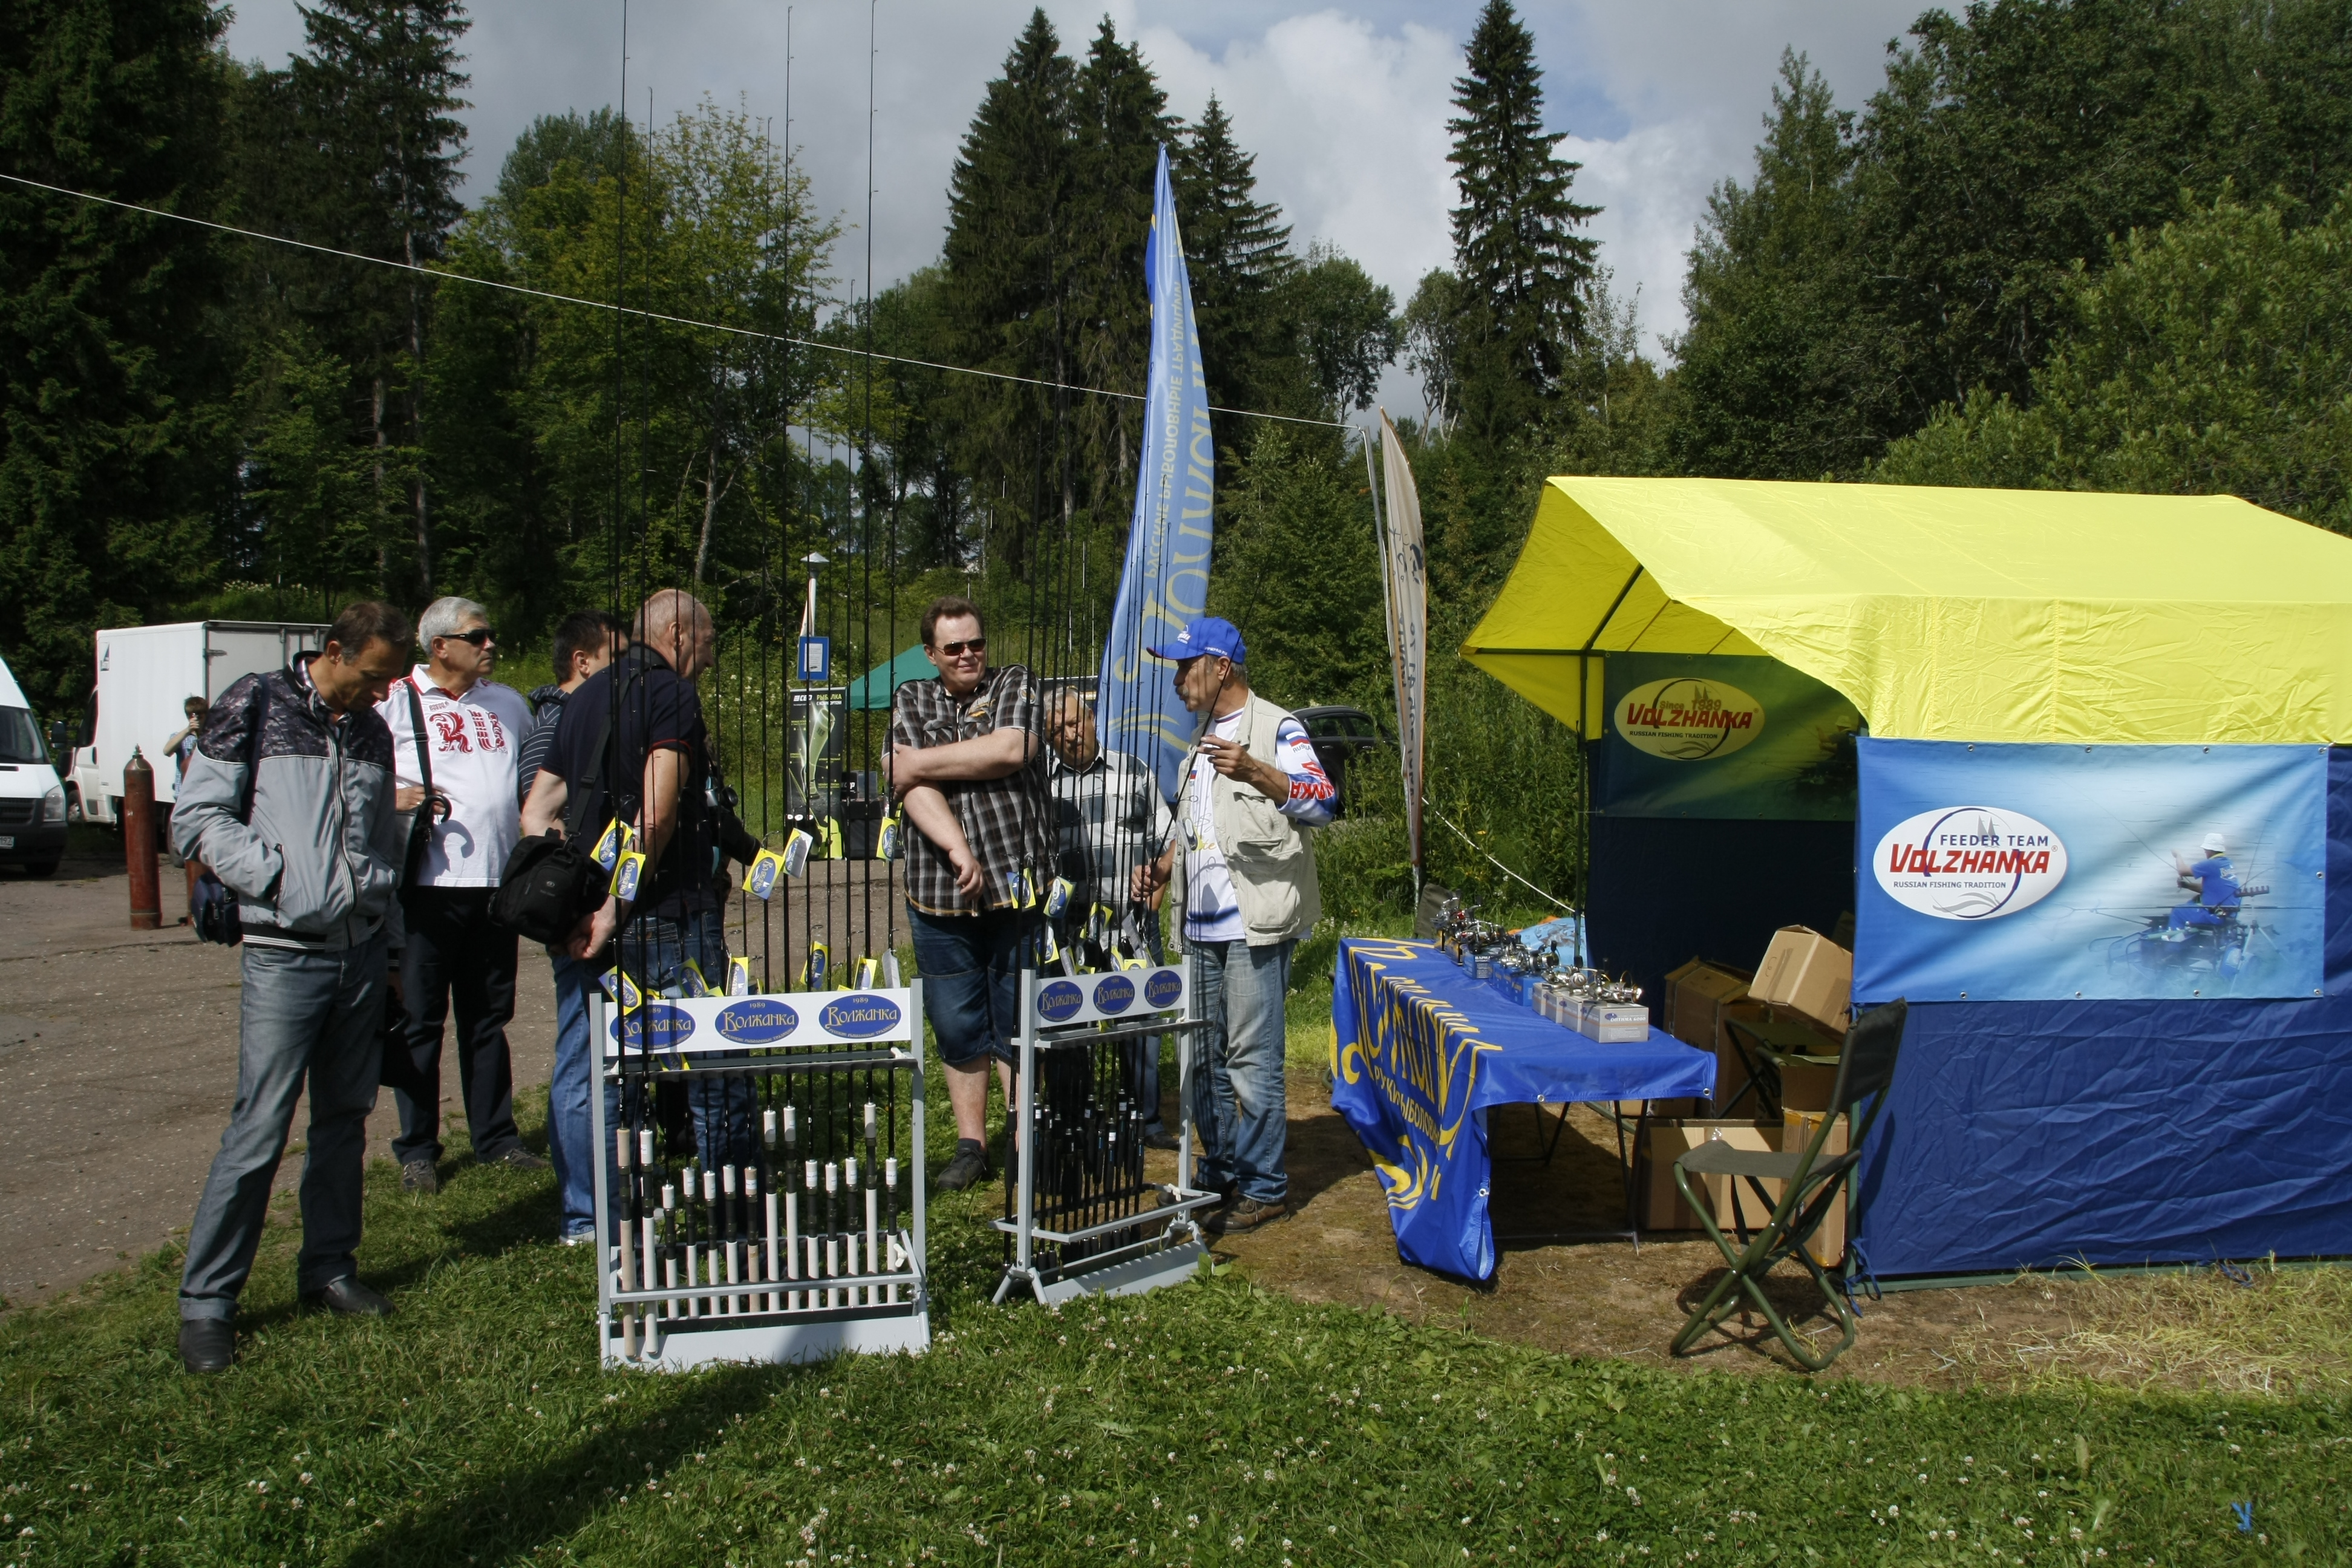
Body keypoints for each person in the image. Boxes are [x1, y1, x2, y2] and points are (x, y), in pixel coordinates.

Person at [169, 601, 414, 1374]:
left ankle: (330, 1269)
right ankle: (208, 1305)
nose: (378, 696)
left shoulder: (372, 729)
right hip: (285, 954)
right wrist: (274, 878)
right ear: (334, 651)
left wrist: (390, 937)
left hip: (361, 953)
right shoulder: (257, 702)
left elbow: (382, 841)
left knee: (345, 1117)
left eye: (388, 684)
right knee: (260, 1128)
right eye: (371, 678)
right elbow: (196, 817)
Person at [535, 589, 753, 1175]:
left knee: (600, 1066)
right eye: (706, 646)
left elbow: (536, 810)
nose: (708, 661)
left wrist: (564, 899)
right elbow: (654, 817)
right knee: (713, 1058)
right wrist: (612, 907)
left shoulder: (581, 701)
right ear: (679, 635)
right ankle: (730, 1200)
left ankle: (596, 1213)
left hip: (588, 921)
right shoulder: (672, 695)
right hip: (664, 916)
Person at [1132, 616, 1333, 1235]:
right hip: (1197, 926)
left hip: (1256, 926)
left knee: (1250, 1059)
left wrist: (1258, 773)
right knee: (1202, 1058)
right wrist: (1165, 867)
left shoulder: (1279, 727)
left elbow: (1322, 801)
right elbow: (1202, 827)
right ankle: (1222, 1171)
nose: (1175, 681)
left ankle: (1266, 1185)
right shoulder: (1196, 741)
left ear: (1222, 668)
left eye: (1185, 667)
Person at [378, 596, 544, 1193]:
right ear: (440, 645)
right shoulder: (394, 702)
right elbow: (359, 776)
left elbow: (532, 777)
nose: (491, 645)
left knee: (488, 1018)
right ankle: (417, 1148)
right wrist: (390, 798)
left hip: (496, 885)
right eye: (479, 636)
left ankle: (495, 1138)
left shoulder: (507, 703)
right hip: (427, 885)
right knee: (421, 1019)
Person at [887, 595, 1049, 1192]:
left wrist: (921, 762)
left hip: (1019, 888)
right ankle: (971, 1145)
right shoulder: (910, 696)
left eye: (975, 643)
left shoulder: (1015, 681)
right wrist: (957, 848)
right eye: (953, 648)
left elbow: (1012, 749)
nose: (967, 656)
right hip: (938, 893)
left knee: (1018, 1016)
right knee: (957, 1024)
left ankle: (1025, 1137)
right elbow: (908, 790)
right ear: (930, 653)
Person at [515, 609, 627, 1244]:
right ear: (583, 662)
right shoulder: (561, 721)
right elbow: (536, 816)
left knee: (601, 1053)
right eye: (617, 656)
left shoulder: (590, 716)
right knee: (584, 1058)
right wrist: (571, 903)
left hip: (602, 913)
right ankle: (586, 1213)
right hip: (583, 921)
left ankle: (605, 1197)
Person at [1047, 690, 1177, 1147]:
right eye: (1058, 728)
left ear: (1093, 719)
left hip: (1131, 924)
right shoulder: (1040, 782)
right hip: (1068, 932)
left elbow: (1168, 840)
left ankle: (1147, 1119)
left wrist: (1154, 892)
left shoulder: (1134, 772)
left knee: (1140, 1023)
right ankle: (1076, 1115)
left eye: (1076, 722)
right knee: (1069, 1025)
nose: (1070, 733)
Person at [164, 695, 210, 913]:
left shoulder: (213, 736)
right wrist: (188, 731)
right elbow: (167, 750)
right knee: (187, 857)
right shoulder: (181, 738)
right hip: (185, 801)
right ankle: (193, 907)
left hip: (207, 802)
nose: (197, 719)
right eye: (193, 716)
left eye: (200, 715)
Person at [2168, 831, 2244, 934]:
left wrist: (2177, 855)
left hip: (2215, 916)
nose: (2205, 852)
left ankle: (2173, 946)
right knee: (2192, 903)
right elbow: (2210, 888)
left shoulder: (2211, 864)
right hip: (2229, 915)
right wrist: (2186, 885)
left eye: (2205, 850)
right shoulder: (2228, 864)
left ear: (2210, 850)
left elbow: (2182, 870)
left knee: (2177, 911)